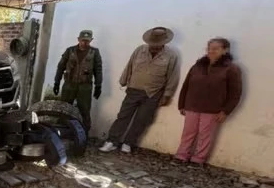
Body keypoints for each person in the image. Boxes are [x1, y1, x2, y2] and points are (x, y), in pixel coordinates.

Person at [99, 27, 180, 154]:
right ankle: (112, 141)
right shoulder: (139, 50)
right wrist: (123, 80)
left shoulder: (171, 56)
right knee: (123, 116)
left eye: (157, 45)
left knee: (142, 120)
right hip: (133, 89)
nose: (154, 47)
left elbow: (172, 76)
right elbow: (130, 65)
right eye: (152, 44)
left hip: (153, 93)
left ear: (164, 43)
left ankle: (128, 142)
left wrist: (167, 95)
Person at [174, 38, 242, 167]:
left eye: (215, 48)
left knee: (205, 135)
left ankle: (198, 159)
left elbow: (235, 93)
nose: (211, 51)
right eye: (209, 48)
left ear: (225, 50)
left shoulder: (231, 69)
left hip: (213, 109)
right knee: (188, 132)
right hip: (192, 105)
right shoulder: (198, 66)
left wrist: (225, 111)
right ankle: (181, 155)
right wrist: (181, 104)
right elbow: (186, 85)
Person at [53, 29, 103, 131]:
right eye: (83, 40)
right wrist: (57, 82)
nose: (85, 43)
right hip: (69, 85)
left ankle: (84, 135)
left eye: (87, 41)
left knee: (84, 111)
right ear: (78, 39)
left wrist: (98, 85)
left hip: (85, 86)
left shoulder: (94, 52)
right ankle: (61, 132)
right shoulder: (70, 51)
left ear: (91, 40)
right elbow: (61, 66)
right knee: (64, 109)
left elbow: (98, 69)